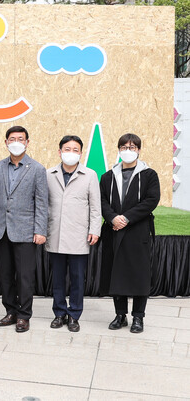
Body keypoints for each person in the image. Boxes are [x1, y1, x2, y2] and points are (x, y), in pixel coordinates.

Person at [0, 126, 48, 333]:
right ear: (6, 142)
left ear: (27, 142)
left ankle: (23, 315)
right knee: (5, 274)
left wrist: (40, 230)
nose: (16, 142)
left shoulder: (37, 169)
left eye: (20, 139)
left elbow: (42, 203)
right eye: (12, 139)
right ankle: (10, 311)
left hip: (26, 231)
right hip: (1, 229)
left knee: (24, 276)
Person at [100, 133, 160, 334]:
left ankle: (138, 317)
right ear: (119, 150)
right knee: (116, 274)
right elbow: (102, 201)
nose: (128, 150)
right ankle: (120, 315)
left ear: (139, 150)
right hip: (113, 230)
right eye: (124, 147)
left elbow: (151, 200)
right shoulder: (108, 176)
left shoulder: (149, 175)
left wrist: (126, 218)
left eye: (132, 147)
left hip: (137, 231)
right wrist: (112, 218)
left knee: (139, 275)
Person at [45, 135, 102, 333]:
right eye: (67, 149)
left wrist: (95, 230)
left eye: (75, 150)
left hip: (79, 235)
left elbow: (95, 207)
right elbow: (43, 204)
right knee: (58, 278)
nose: (71, 153)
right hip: (55, 234)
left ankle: (74, 315)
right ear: (59, 152)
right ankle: (59, 313)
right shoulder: (49, 174)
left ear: (81, 153)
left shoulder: (90, 175)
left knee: (77, 278)